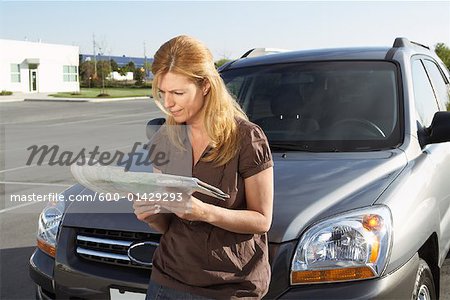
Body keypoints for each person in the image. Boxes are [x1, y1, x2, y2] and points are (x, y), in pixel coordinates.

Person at [133, 35, 274, 300]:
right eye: (162, 93)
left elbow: (261, 220)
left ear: (206, 86)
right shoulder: (165, 138)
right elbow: (168, 225)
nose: (168, 103)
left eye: (178, 93)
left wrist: (204, 211)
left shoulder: (247, 138)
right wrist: (152, 215)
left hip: (230, 287)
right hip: (168, 280)